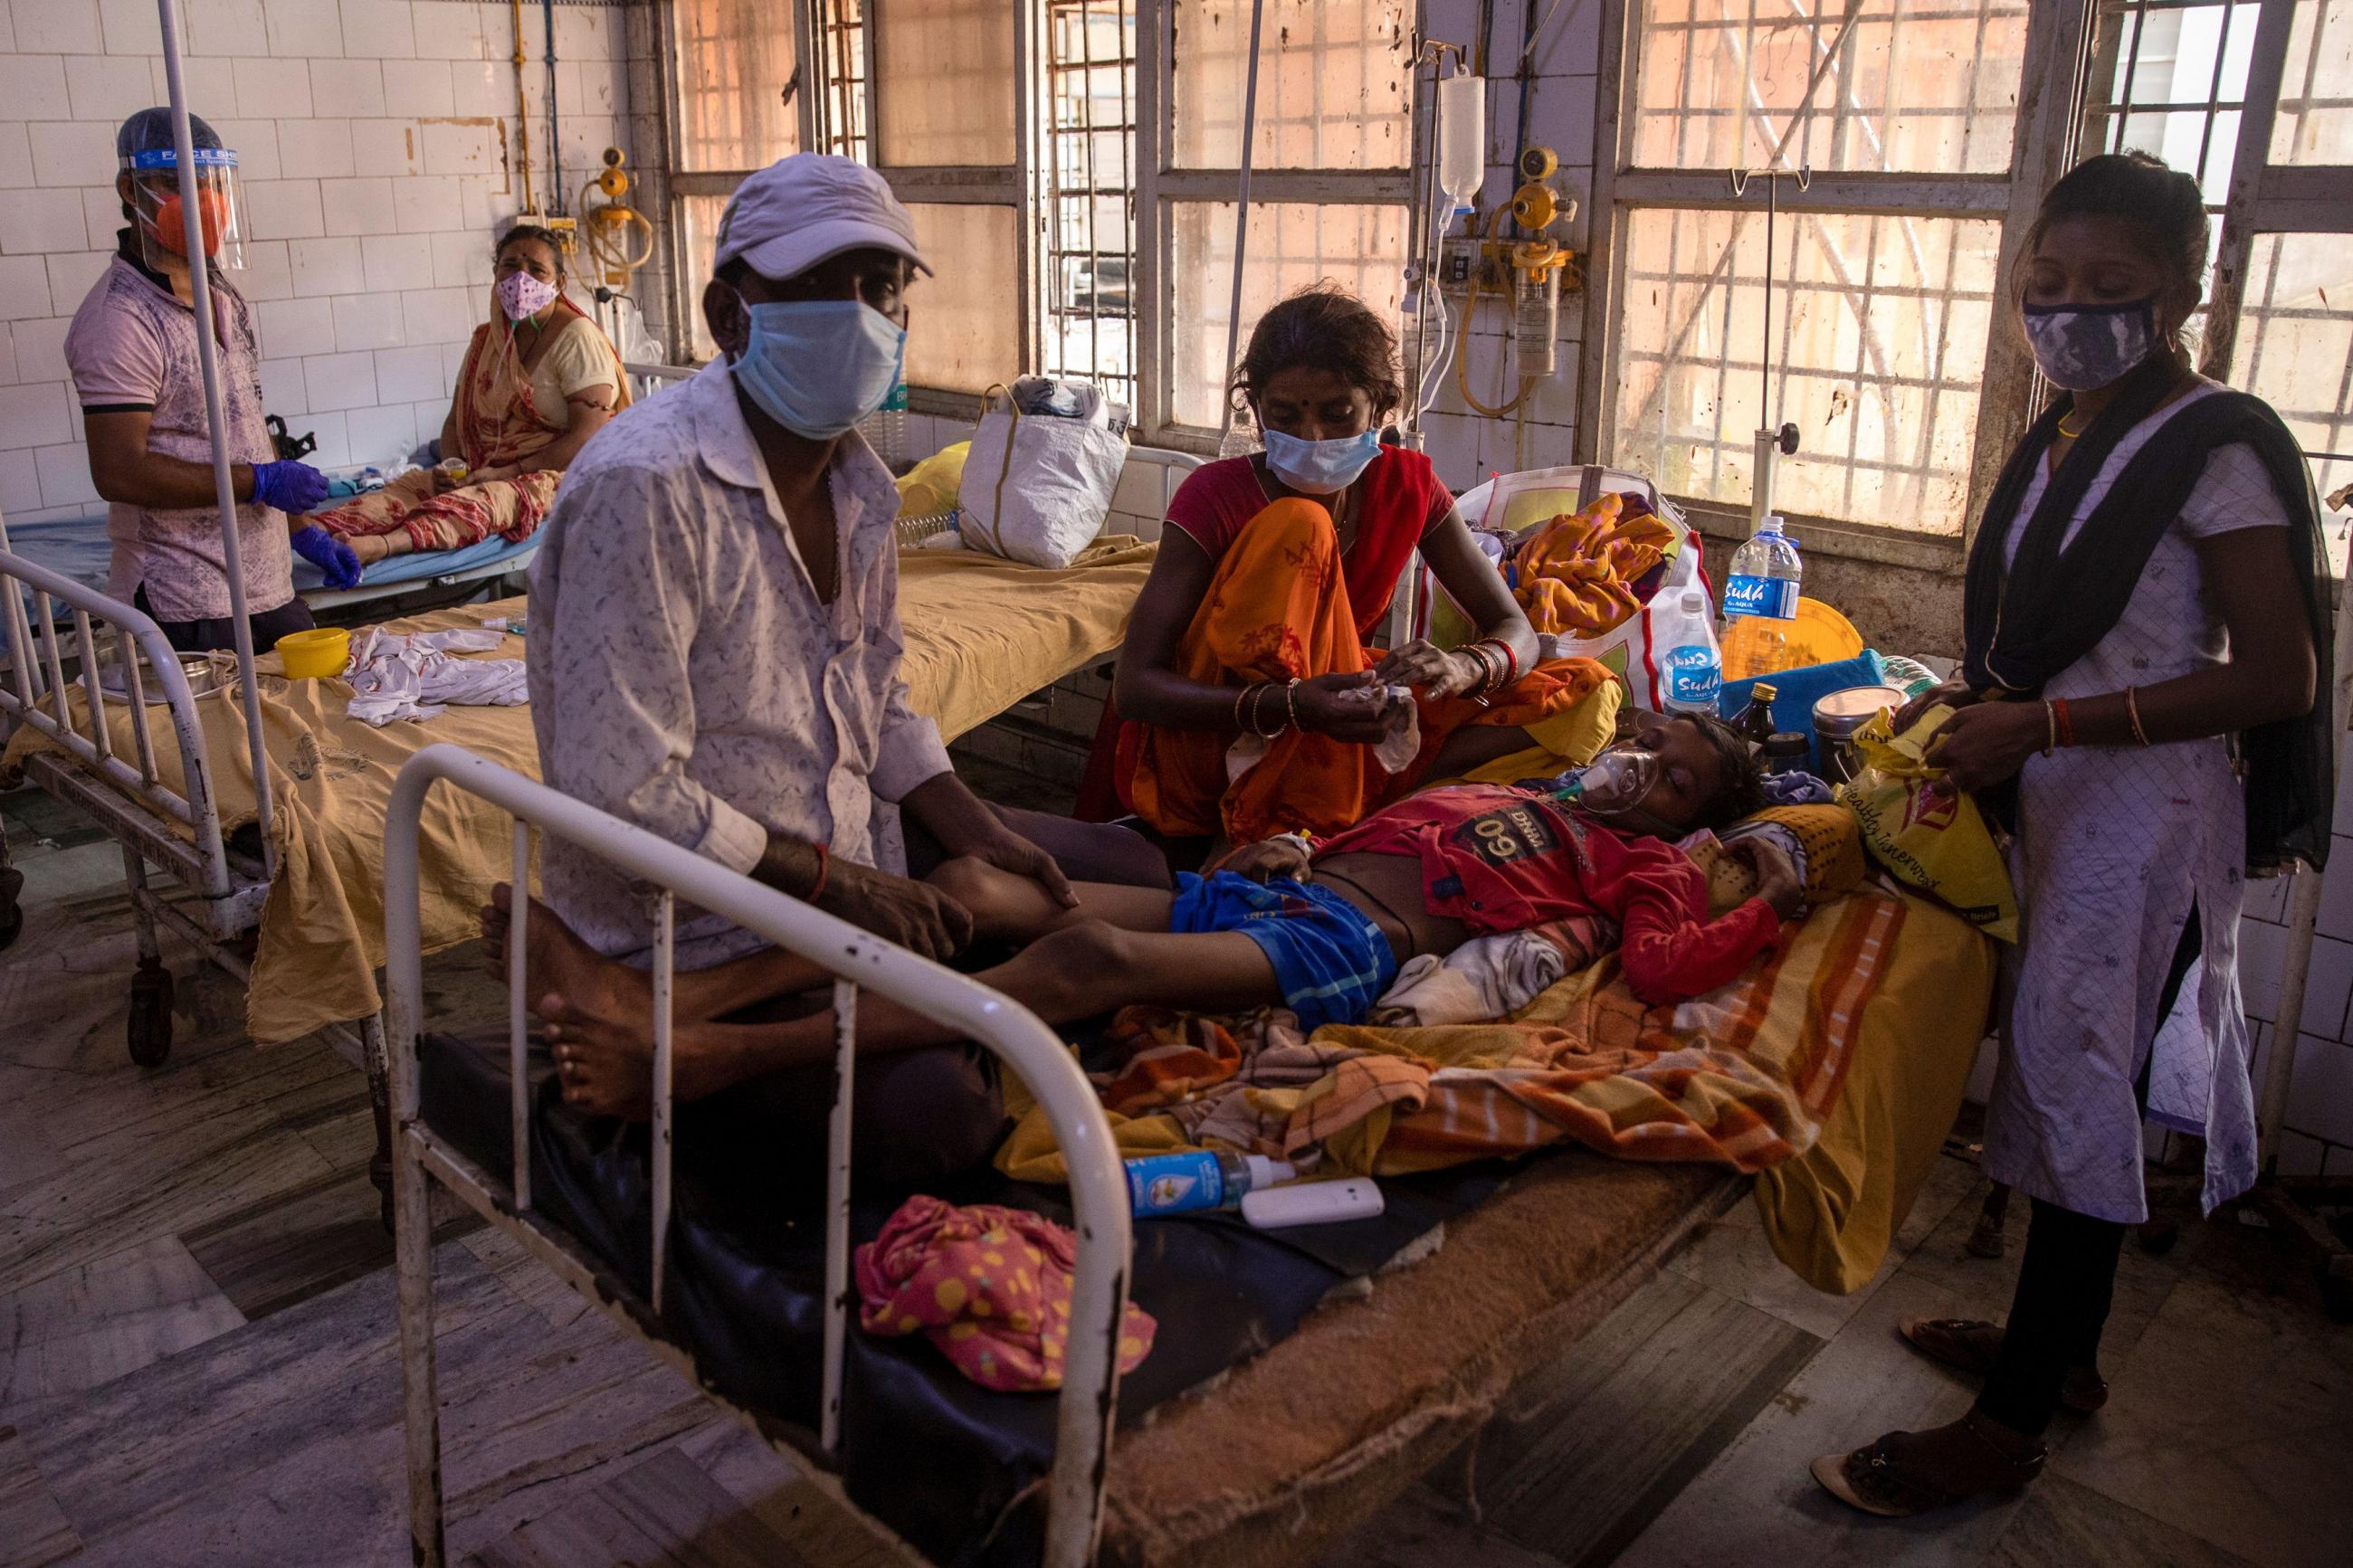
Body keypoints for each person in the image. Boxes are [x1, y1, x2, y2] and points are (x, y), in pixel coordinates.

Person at [1811, 152, 2329, 1518]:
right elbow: (2057, 639)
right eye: (2046, 284)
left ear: (2180, 290)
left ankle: (2014, 1419)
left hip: (2143, 812)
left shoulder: (2212, 441)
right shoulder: (2064, 433)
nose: (2068, 310)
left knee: (2080, 1079)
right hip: (2060, 795)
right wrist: (1979, 711)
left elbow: (2277, 676)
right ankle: (2069, 1356)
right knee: (2052, 1072)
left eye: (2111, 286)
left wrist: (2041, 731)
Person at [523, 153, 1166, 1174]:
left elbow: (875, 686)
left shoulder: (859, 483)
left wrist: (969, 817)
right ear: (729, 315)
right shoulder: (646, 489)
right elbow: (625, 785)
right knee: (941, 1118)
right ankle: (671, 1012)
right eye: (827, 289)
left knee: (1132, 868)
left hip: (851, 849)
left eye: (883, 289)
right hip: (703, 918)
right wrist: (838, 887)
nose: (867, 317)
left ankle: (925, 943)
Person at [487, 712, 1793, 1123]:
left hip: (1336, 946)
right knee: (970, 889)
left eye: (1671, 777)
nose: (1639, 765)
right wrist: (1302, 842)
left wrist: (1773, 897)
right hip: (1278, 884)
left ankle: (705, 1054)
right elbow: (1407, 829)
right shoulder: (1539, 785)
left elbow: (1671, 961)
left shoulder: (1647, 867)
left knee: (1090, 957)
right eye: (1650, 740)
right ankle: (672, 996)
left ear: (1688, 821)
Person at [1107, 285, 1614, 851]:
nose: (1312, 436)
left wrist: (1465, 667)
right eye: (1285, 414)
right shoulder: (1217, 496)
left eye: (1337, 412)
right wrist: (1292, 707)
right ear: (1255, 409)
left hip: (1338, 715)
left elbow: (1513, 628)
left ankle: (1357, 802)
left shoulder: (1408, 485)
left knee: (1583, 691)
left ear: (1381, 406)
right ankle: (1279, 822)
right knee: (1302, 524)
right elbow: (1135, 688)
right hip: (1224, 733)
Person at [64, 108, 354, 654]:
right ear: (131, 190)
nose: (202, 201)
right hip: (183, 601)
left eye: (210, 183)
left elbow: (243, 424)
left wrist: (300, 530)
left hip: (264, 587)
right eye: (174, 184)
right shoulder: (120, 318)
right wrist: (258, 483)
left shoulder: (219, 294)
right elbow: (120, 472)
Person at [310, 224, 631, 564]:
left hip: (557, 475)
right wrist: (453, 469)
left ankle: (382, 546)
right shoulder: (488, 340)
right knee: (402, 492)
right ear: (495, 273)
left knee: (475, 504)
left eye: (537, 270)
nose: (521, 280)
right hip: (483, 470)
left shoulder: (577, 337)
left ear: (559, 282)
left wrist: (506, 473)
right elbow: (456, 421)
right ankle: (313, 532)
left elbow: (589, 435)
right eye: (510, 266)